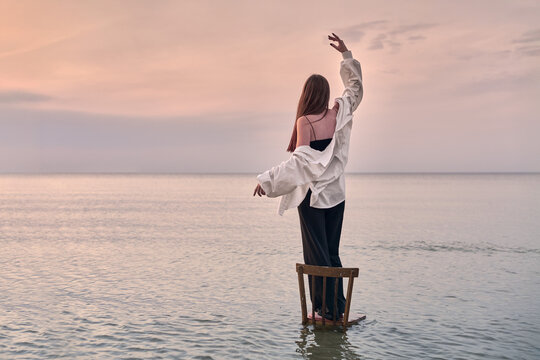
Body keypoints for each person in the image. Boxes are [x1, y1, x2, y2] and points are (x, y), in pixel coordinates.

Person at [253, 33, 363, 319]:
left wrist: (266, 181)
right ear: (325, 94)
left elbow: (299, 163)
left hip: (313, 198)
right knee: (332, 253)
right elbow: (355, 88)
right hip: (337, 195)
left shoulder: (305, 122)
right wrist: (346, 54)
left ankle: (324, 312)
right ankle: (336, 309)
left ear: (306, 95)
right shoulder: (338, 113)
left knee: (316, 256)